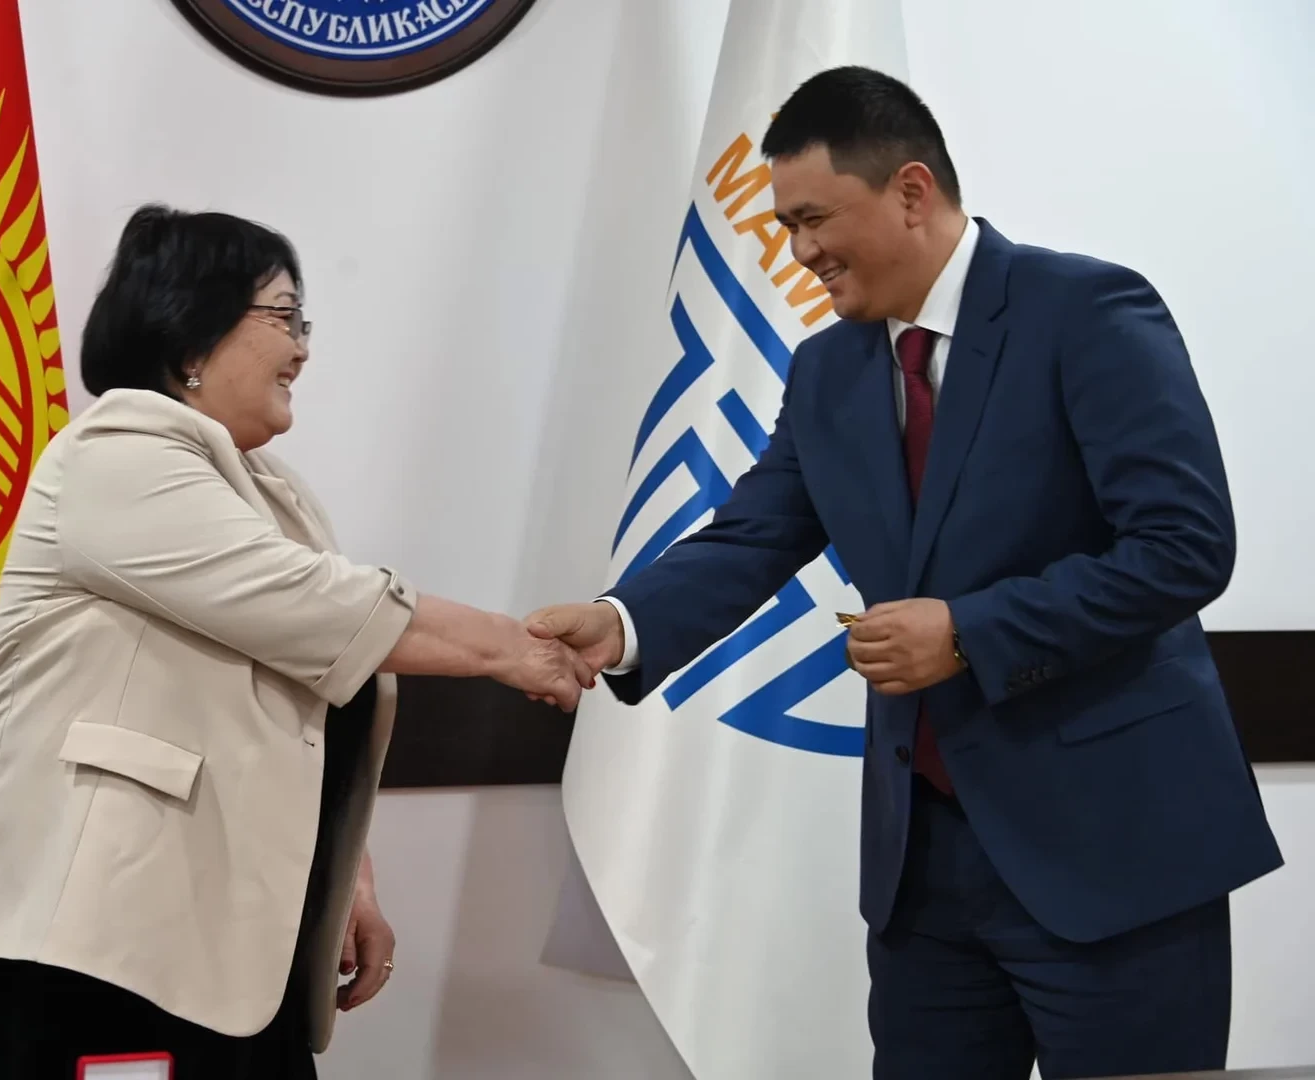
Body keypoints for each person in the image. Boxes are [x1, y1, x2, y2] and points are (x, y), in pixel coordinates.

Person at [528, 66, 1282, 1080]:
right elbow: (753, 535)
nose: (798, 252)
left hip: (1114, 854)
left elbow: (1183, 546)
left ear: (911, 191)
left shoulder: (1087, 310)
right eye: (786, 226)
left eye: (812, 220)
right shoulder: (827, 367)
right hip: (922, 875)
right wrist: (621, 623)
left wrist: (969, 633)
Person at [0, 204, 591, 1080]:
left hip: (215, 960)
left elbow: (293, 711)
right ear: (189, 340)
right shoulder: (116, 456)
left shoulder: (269, 491)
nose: (302, 349)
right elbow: (316, 607)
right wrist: (513, 647)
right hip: (74, 956)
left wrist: (345, 881)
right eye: (283, 316)